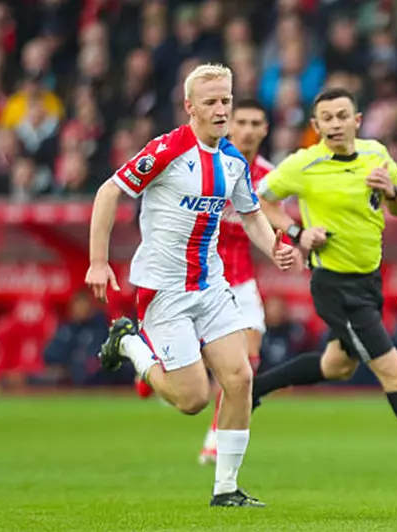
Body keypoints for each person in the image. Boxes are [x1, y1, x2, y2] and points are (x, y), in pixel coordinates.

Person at [85, 64, 296, 508]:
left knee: (240, 378)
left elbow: (253, 214)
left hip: (212, 286)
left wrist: (275, 246)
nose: (222, 110)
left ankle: (226, 489)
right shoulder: (166, 150)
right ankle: (130, 346)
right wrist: (99, 262)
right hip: (165, 291)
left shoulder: (233, 161)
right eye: (212, 102)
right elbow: (108, 192)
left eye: (227, 101)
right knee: (193, 399)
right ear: (190, 107)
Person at [253, 87, 397, 474]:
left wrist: (390, 191)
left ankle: (253, 389)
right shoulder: (302, 164)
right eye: (327, 118)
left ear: (356, 120)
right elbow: (260, 200)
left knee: (337, 365)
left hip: (368, 282)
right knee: (394, 372)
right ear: (315, 125)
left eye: (342, 116)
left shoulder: (376, 154)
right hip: (336, 287)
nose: (335, 124)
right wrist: (297, 233)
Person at [199, 98, 276, 465]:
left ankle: (215, 435)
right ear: (229, 125)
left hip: (241, 280)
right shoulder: (205, 164)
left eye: (254, 122)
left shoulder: (271, 178)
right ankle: (149, 361)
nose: (246, 129)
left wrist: (292, 241)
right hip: (199, 276)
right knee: (189, 369)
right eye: (240, 121)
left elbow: (276, 221)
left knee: (248, 361)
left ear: (265, 130)